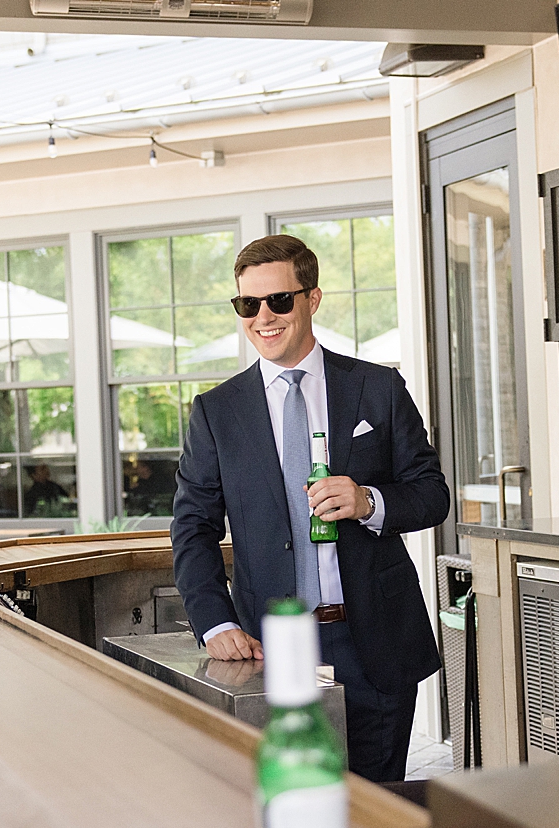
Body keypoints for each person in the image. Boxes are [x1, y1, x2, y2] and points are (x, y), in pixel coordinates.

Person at [171, 234, 449, 782]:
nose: (263, 317)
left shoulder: (378, 388)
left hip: (375, 641)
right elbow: (193, 528)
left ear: (313, 299)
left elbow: (431, 493)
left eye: (279, 301)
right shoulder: (216, 412)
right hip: (272, 650)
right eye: (248, 305)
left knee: (380, 810)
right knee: (296, 801)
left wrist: (370, 501)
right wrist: (215, 621)